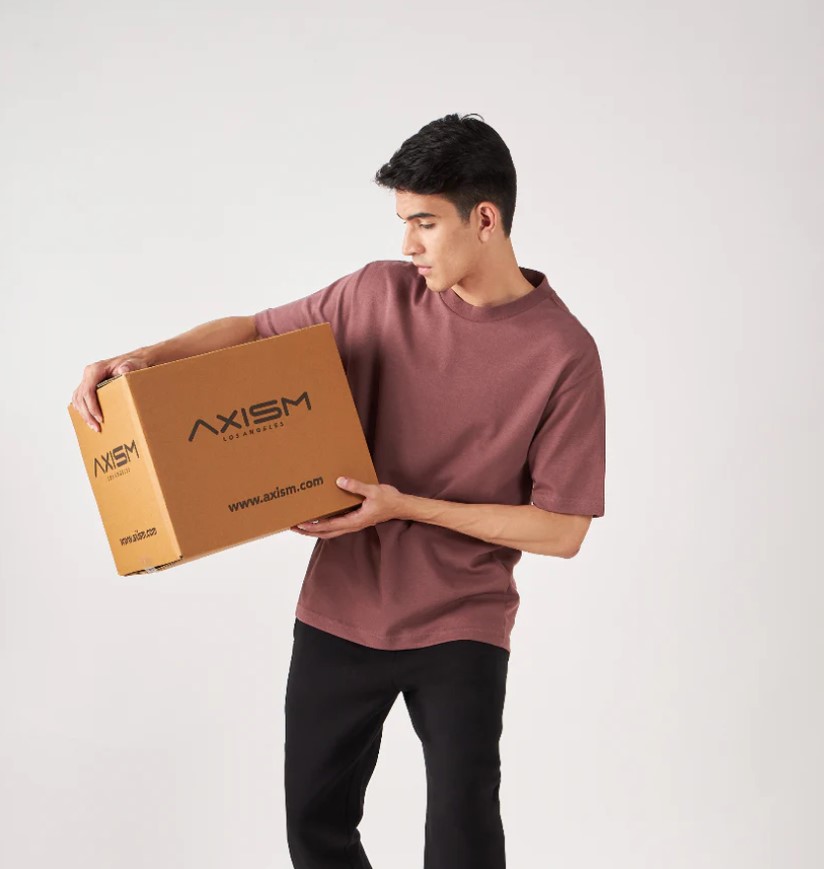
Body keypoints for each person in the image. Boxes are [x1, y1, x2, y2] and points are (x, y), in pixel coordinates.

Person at [71, 112, 606, 869]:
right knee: (315, 827)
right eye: (402, 222)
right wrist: (146, 359)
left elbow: (563, 529)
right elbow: (256, 331)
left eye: (425, 222)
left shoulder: (564, 353)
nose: (408, 244)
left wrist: (404, 504)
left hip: (463, 622)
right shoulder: (375, 294)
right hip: (340, 609)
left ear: (485, 219)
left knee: (463, 840)